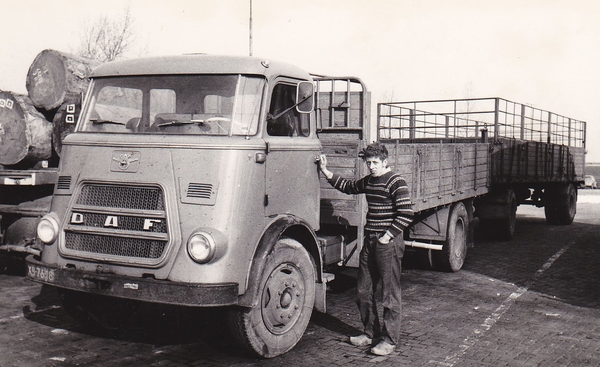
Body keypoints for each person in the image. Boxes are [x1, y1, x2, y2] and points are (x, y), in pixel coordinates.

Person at [318, 142, 413, 356]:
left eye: (375, 163)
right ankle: (370, 333)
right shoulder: (370, 181)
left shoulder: (396, 182)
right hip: (370, 242)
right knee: (363, 291)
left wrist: (386, 237)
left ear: (385, 161)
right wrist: (325, 171)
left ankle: (389, 340)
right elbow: (349, 186)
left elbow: (406, 214)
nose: (371, 166)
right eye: (368, 163)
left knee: (389, 294)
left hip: (388, 242)